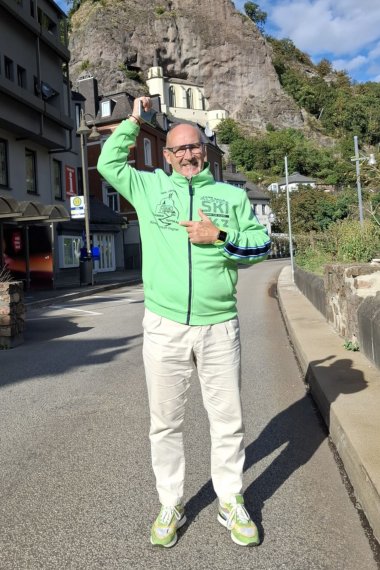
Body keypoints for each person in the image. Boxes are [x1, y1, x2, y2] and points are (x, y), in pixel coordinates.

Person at [97, 96, 271, 548]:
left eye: (194, 148)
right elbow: (108, 163)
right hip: (164, 325)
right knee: (165, 422)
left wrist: (221, 236)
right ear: (168, 157)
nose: (188, 155)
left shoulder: (232, 196)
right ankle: (170, 502)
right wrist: (135, 119)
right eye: (178, 150)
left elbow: (260, 248)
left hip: (219, 325)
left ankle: (230, 500)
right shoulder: (150, 187)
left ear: (204, 152)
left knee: (227, 419)